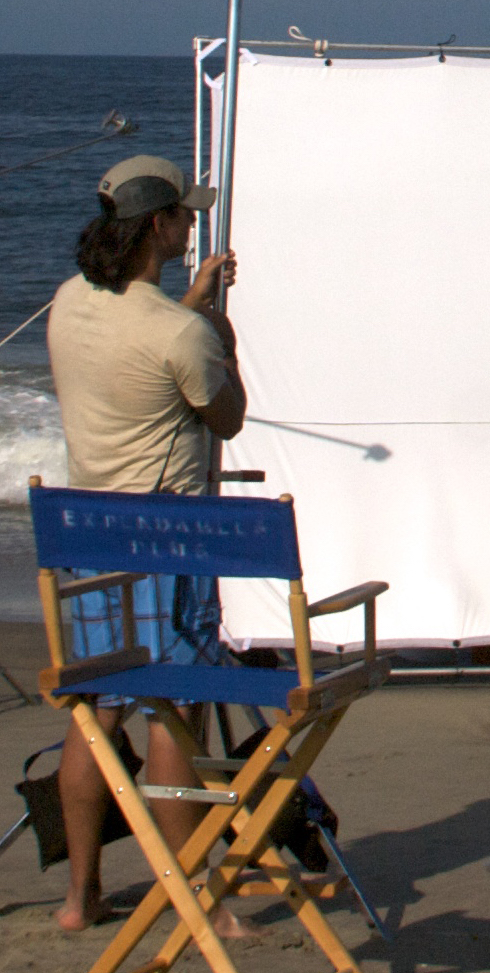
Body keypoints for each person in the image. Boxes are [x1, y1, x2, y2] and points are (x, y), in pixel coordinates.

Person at [44, 154, 250, 935]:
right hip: (167, 534)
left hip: (91, 532)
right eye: (184, 216)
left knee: (94, 710)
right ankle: (195, 895)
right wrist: (216, 329)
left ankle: (80, 896)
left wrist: (191, 307)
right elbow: (224, 414)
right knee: (173, 709)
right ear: (158, 227)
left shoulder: (69, 303)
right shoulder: (181, 334)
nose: (192, 225)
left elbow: (136, 340)